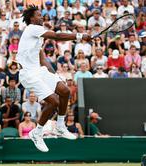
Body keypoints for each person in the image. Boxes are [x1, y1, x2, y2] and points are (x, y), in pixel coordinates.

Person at [17, 6, 91, 152]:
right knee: (54, 101)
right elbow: (56, 36)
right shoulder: (32, 28)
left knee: (64, 91)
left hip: (39, 71)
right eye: (38, 15)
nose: (41, 17)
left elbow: (42, 60)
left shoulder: (36, 38)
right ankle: (37, 132)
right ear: (31, 18)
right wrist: (80, 36)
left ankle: (60, 127)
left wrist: (54, 76)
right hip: (28, 74)